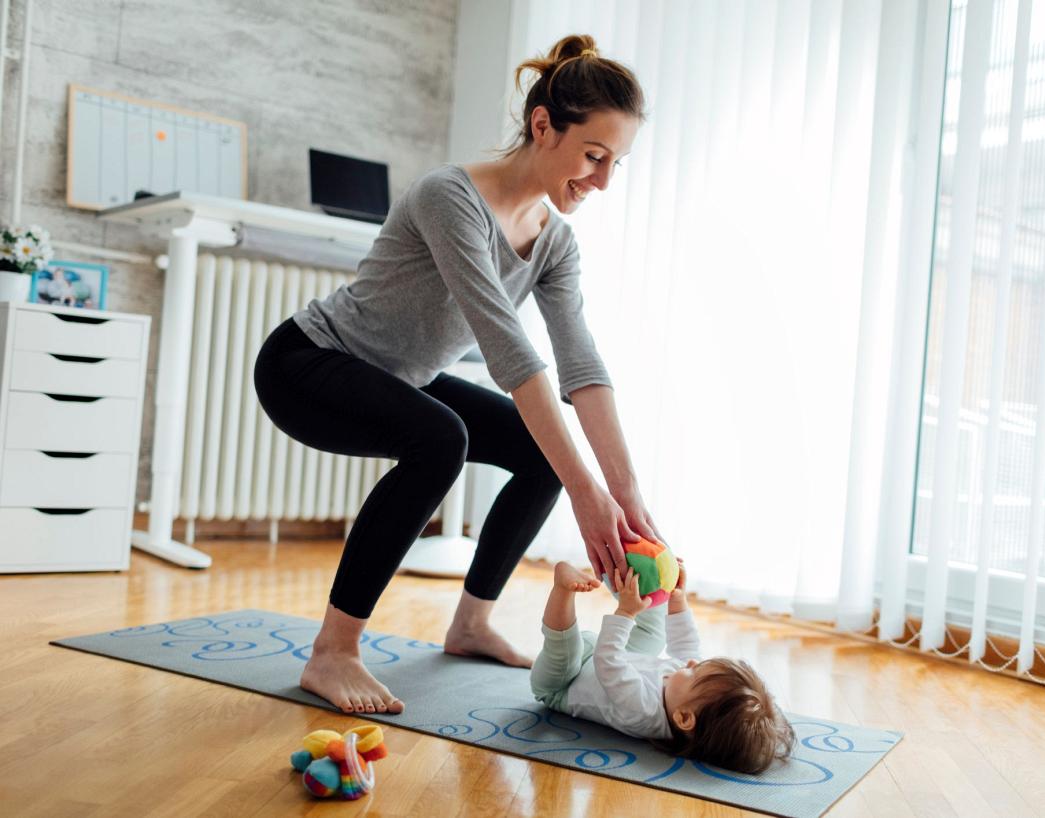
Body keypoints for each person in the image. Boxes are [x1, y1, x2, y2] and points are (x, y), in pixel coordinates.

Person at [253, 34, 660, 716]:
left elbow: (580, 364)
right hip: (307, 363)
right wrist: (586, 493)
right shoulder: (451, 197)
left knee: (536, 454)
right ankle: (333, 651)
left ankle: (470, 622)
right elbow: (510, 350)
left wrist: (626, 494)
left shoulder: (555, 241)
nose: (603, 181)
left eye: (616, 162)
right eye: (594, 156)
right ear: (542, 126)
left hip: (400, 378)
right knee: (442, 439)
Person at [530, 561, 796, 774]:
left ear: (683, 718)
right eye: (700, 665)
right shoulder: (685, 695)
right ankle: (630, 575)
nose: (692, 663)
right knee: (654, 632)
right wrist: (676, 598)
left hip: (564, 683)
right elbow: (686, 645)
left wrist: (625, 612)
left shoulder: (643, 711)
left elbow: (607, 662)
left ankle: (563, 589)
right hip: (618, 658)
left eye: (695, 672)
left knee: (566, 649)